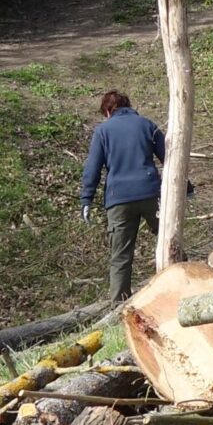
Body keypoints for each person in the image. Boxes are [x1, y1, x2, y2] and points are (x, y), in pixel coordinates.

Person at [80, 90, 168, 299]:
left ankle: (119, 306)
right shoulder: (147, 125)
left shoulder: (103, 131)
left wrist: (87, 199)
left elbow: (92, 167)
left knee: (120, 256)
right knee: (169, 240)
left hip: (118, 198)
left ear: (108, 111)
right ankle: (187, 285)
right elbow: (170, 156)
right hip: (150, 193)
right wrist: (187, 187)